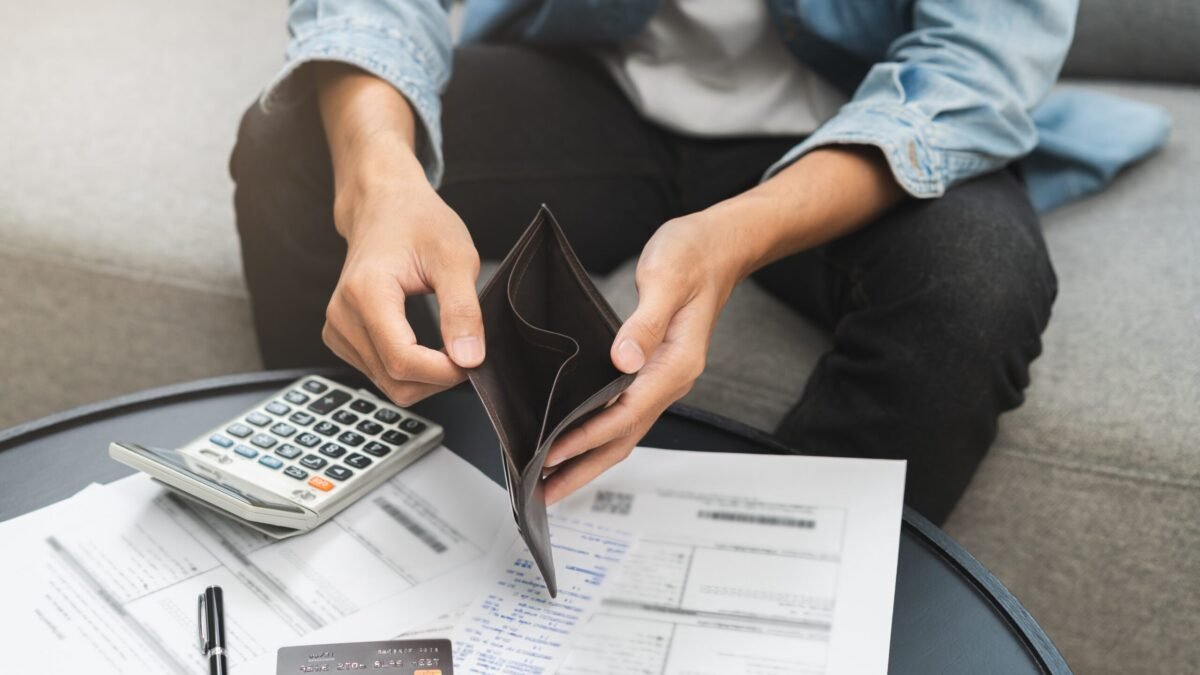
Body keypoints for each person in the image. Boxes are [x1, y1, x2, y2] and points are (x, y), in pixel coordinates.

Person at [231, 0, 1076, 524]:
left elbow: (976, 70)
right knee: (300, 142)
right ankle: (373, 514)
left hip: (853, 124)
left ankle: (773, 595)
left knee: (975, 287)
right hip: (600, 88)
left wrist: (732, 236)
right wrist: (381, 181)